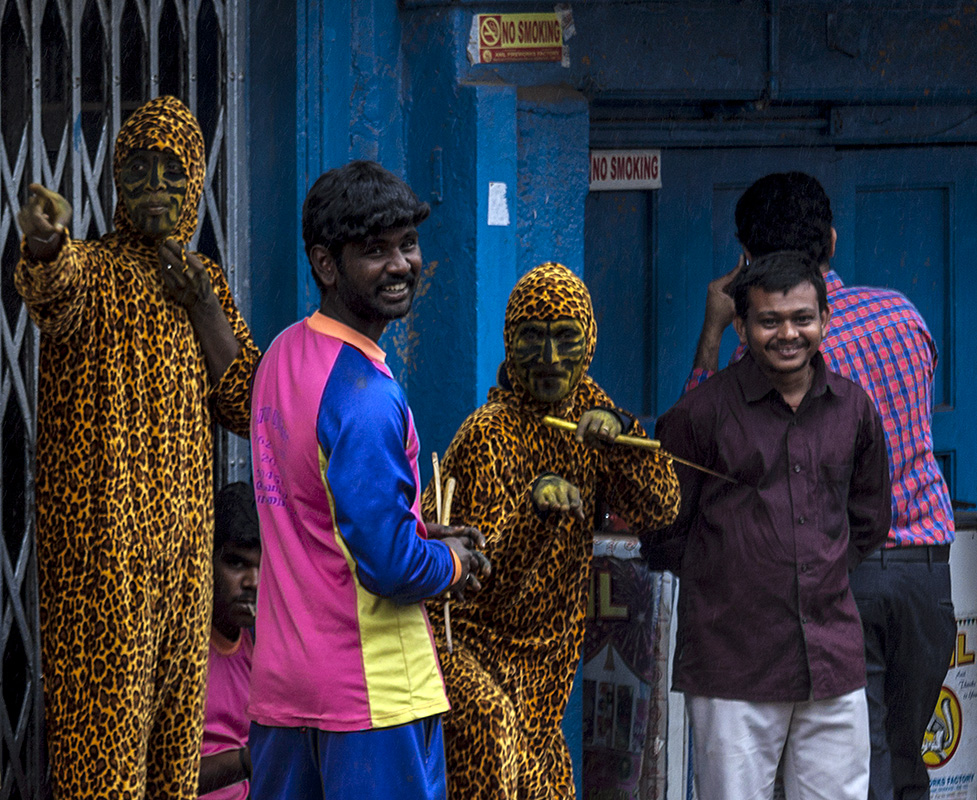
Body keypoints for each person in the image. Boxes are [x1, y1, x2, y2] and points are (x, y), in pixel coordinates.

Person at [14, 95, 259, 800]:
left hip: (184, 557)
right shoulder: (91, 269)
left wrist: (201, 306)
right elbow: (50, 291)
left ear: (197, 184)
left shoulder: (203, 281)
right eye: (138, 171)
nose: (155, 187)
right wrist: (44, 243)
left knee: (172, 754)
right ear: (117, 182)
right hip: (105, 559)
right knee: (106, 751)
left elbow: (246, 404)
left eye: (172, 172)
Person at [687, 172, 956, 800]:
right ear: (832, 240)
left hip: (837, 578)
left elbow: (693, 453)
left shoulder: (766, 349)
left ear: (746, 261)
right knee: (906, 759)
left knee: (863, 765)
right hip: (925, 576)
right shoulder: (902, 314)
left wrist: (714, 331)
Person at [247, 160, 488, 800]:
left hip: (282, 688)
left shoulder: (281, 355)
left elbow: (313, 508)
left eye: (407, 244)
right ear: (327, 264)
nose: (401, 265)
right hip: (371, 695)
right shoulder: (366, 397)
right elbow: (390, 569)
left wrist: (412, 531)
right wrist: (455, 561)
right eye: (374, 251)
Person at [423, 261, 681, 799]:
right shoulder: (488, 433)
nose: (549, 360)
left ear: (587, 343)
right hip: (476, 654)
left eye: (565, 340)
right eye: (531, 340)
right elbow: (484, 583)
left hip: (547, 676)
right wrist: (534, 513)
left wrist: (624, 436)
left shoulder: (591, 409)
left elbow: (661, 508)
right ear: (508, 341)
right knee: (492, 741)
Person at [652, 251, 891, 800]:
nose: (788, 333)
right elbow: (663, 532)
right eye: (769, 321)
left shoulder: (853, 409)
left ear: (825, 321)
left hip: (831, 660)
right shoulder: (699, 415)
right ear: (741, 326)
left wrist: (810, 569)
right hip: (733, 663)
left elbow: (869, 519)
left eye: (803, 318)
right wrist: (736, 574)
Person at [199, 482, 261, 800]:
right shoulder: (185, 655)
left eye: (262, 566)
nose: (253, 582)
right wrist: (246, 760)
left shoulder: (255, 649)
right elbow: (163, 775)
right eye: (236, 563)